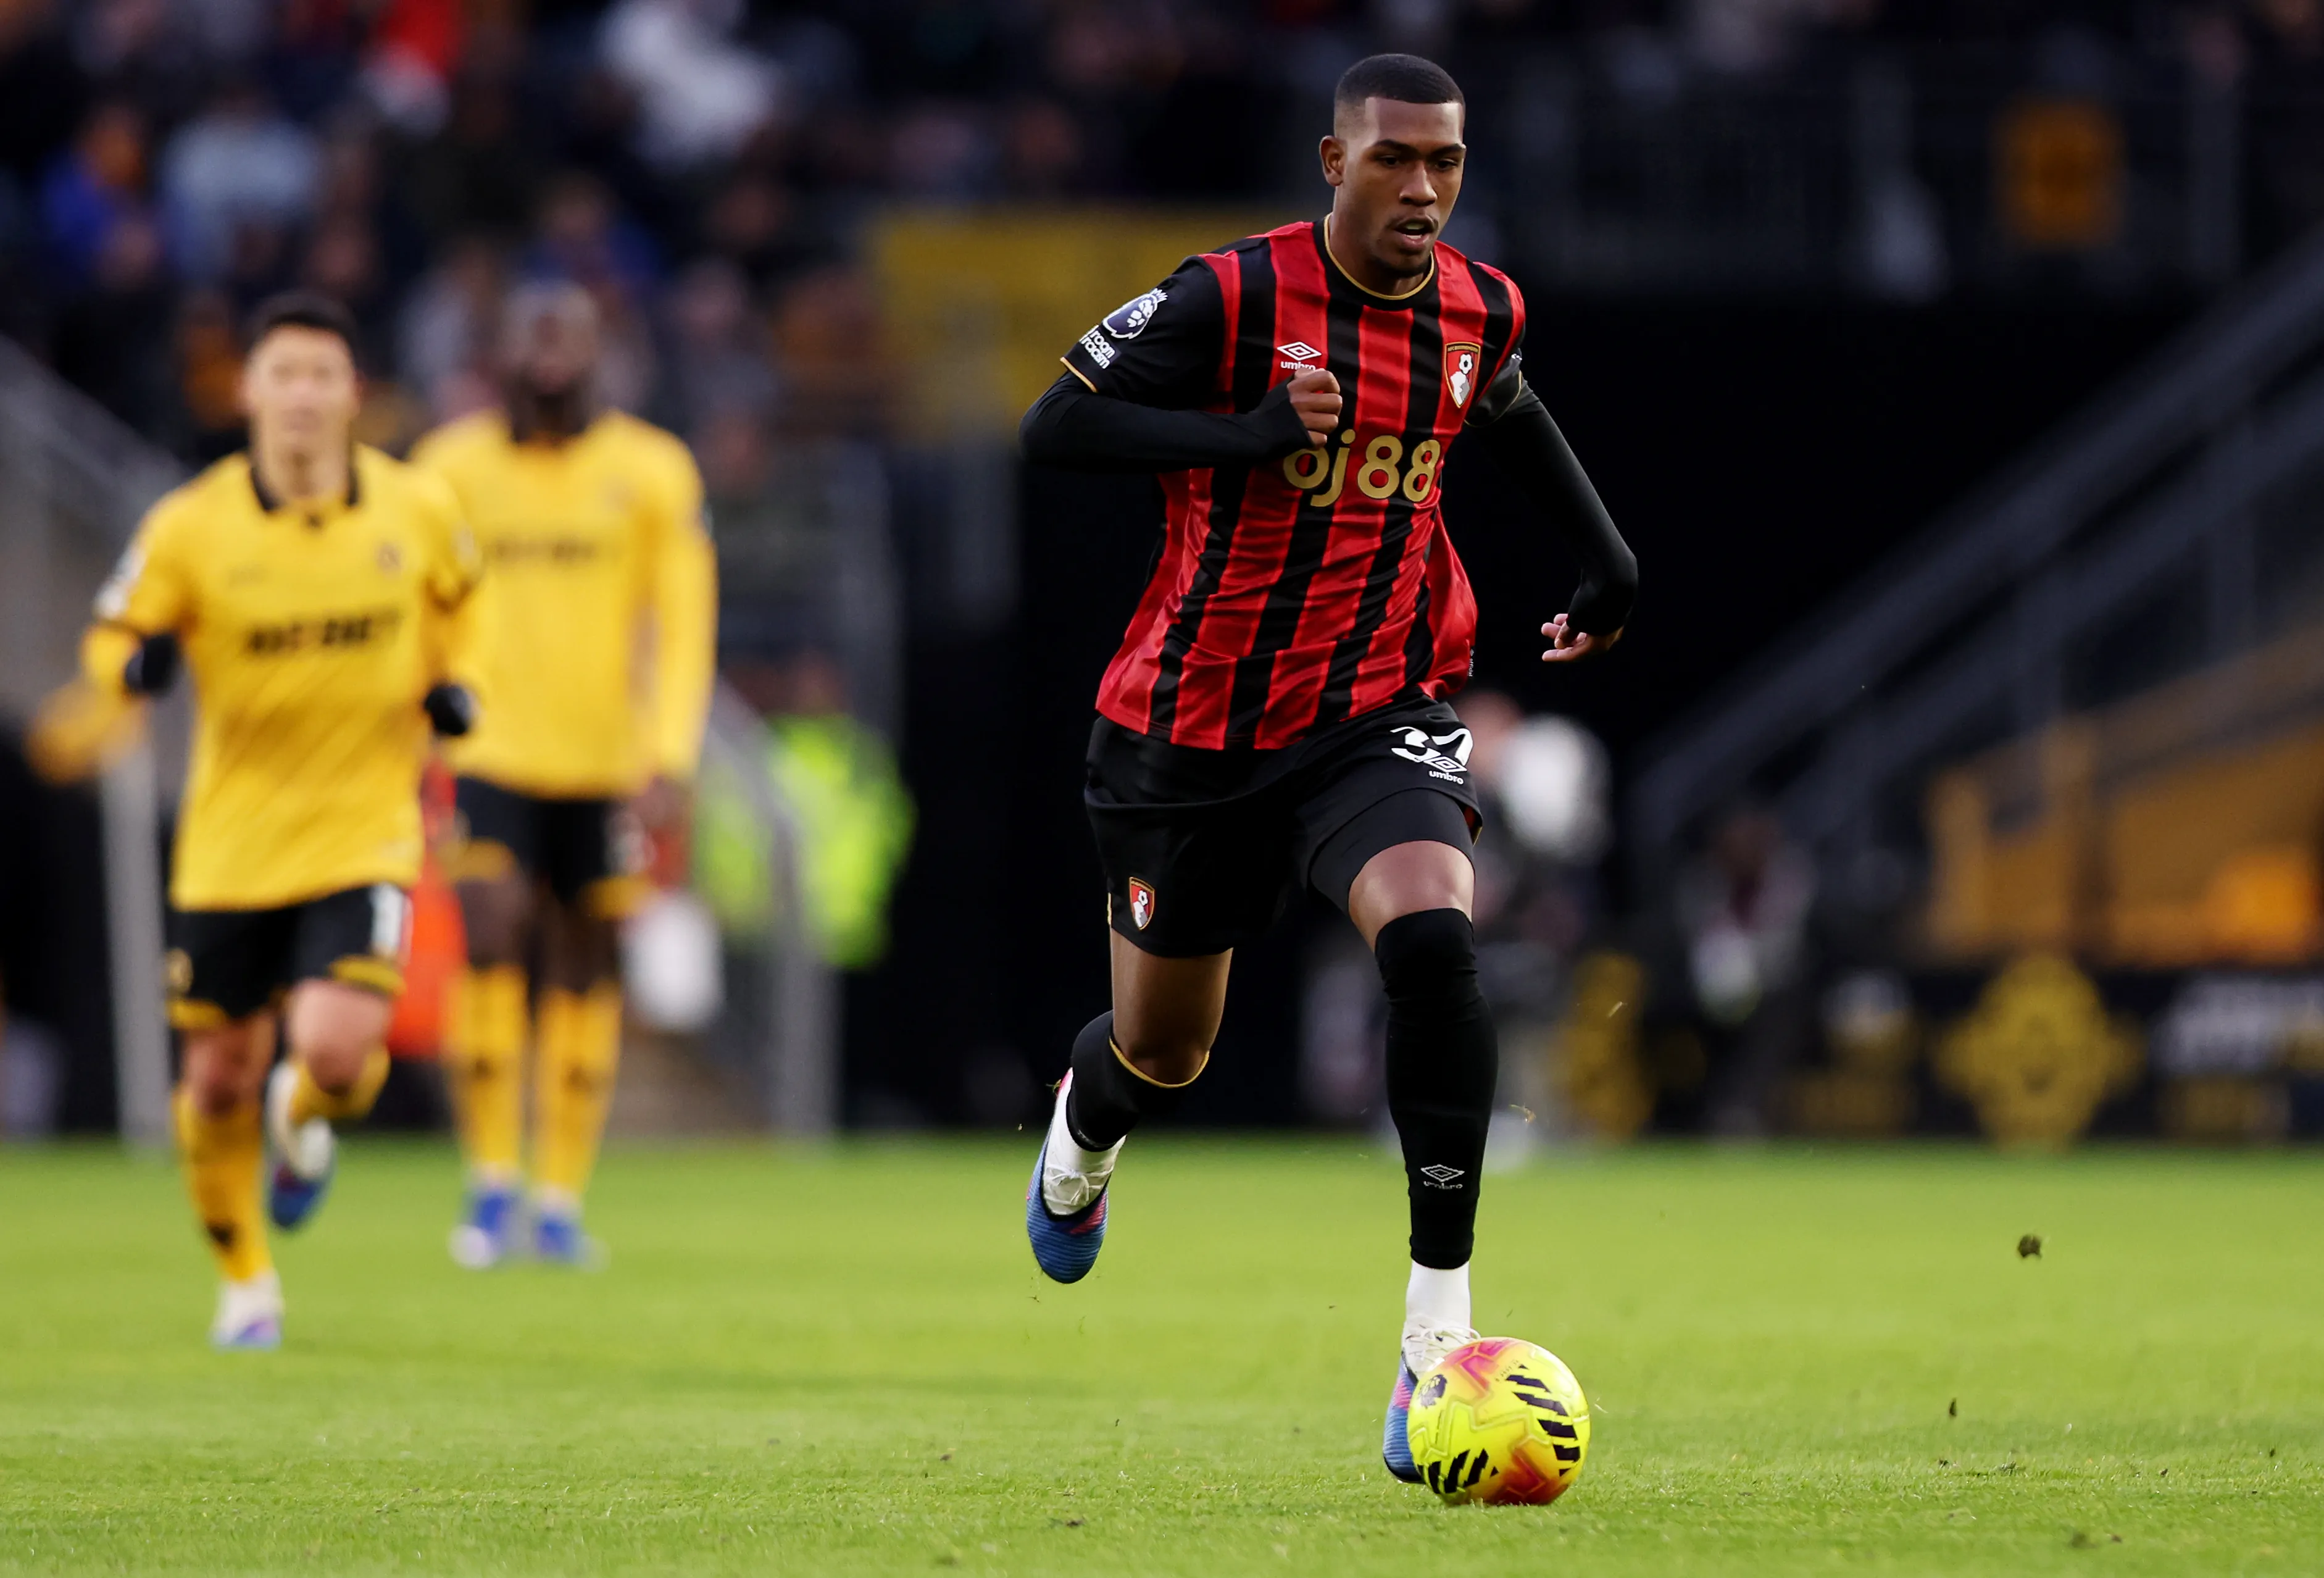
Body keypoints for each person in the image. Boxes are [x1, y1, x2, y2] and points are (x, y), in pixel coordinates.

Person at [1015, 54, 1638, 1482]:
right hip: (1187, 733)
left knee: (1432, 938)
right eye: (1393, 161)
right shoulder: (1231, 297)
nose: (1421, 189)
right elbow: (1056, 424)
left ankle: (1435, 1347)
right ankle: (1083, 1129)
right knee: (1162, 1054)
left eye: (1446, 163)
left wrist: (1607, 559)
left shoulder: (1478, 307)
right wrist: (1232, 436)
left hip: (1376, 709)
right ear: (1332, 160)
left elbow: (1510, 403)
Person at [56, 291, 485, 1350]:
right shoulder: (190, 524)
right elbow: (113, 634)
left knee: (336, 1053)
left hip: (365, 826)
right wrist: (138, 666)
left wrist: (455, 689)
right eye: (282, 375)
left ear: (354, 394)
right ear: (247, 390)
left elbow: (467, 612)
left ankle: (309, 1117)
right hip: (232, 842)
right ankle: (246, 1283)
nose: (300, 396)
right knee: (216, 1076)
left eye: (322, 376)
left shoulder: (417, 511)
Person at [410, 282, 716, 1269]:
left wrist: (668, 756)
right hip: (488, 752)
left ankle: (559, 1197)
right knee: (492, 932)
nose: (549, 349)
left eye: (569, 333)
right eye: (530, 331)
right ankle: (492, 1179)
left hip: (609, 764)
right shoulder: (448, 468)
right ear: (496, 349)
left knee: (587, 959)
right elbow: (414, 608)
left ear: (602, 351)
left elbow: (684, 622)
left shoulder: (654, 470)